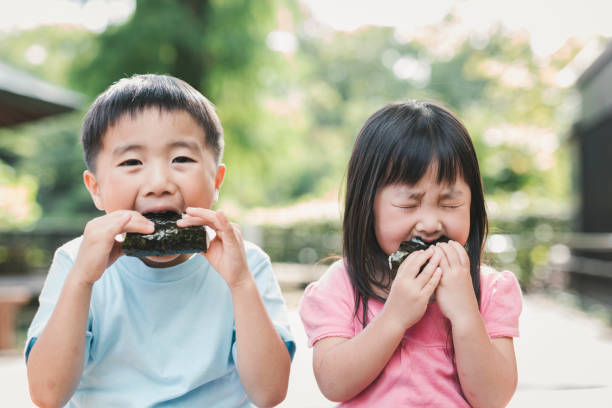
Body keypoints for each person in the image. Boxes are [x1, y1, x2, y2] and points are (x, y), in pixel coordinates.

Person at [25, 74, 294, 408]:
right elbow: (47, 395)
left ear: (217, 180)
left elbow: (269, 393)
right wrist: (81, 281)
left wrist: (240, 284)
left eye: (181, 159)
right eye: (131, 162)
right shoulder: (75, 262)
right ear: (95, 187)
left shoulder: (246, 263)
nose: (159, 183)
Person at [299, 100, 522, 407]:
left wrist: (465, 314)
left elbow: (494, 398)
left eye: (449, 204)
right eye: (408, 204)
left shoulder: (491, 290)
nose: (430, 224)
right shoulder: (341, 285)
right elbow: (333, 384)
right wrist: (395, 317)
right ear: (368, 205)